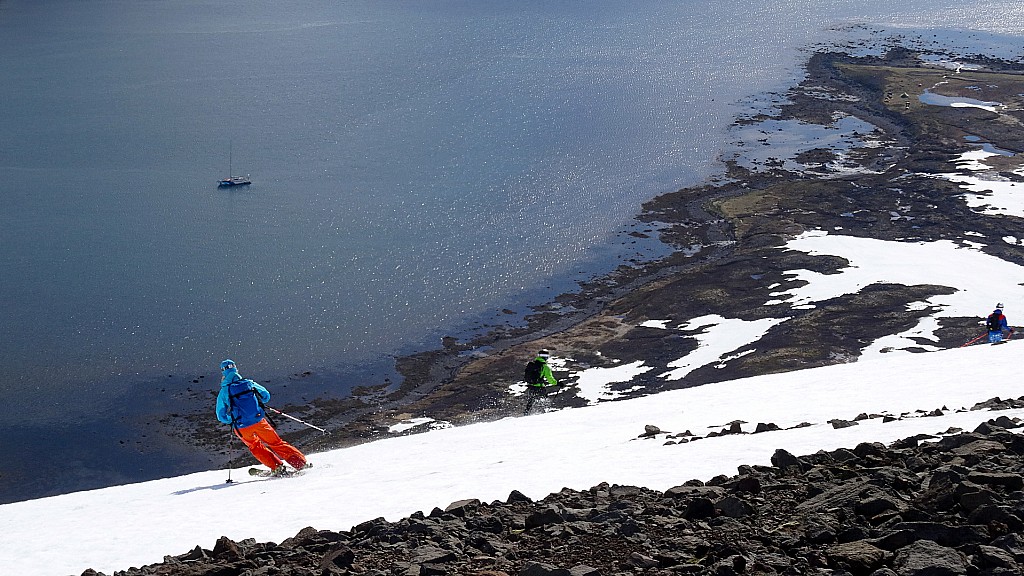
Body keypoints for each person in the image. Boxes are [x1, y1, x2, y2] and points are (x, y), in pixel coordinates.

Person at [216, 359, 307, 475]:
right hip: (259, 420)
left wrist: (232, 418)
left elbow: (221, 415)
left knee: (255, 446)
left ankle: (276, 466)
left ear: (223, 373)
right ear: (235, 369)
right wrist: (258, 404)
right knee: (276, 443)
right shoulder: (249, 383)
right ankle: (299, 463)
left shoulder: (224, 391)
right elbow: (266, 395)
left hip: (242, 427)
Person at [523, 349, 559, 415]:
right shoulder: (545, 367)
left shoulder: (532, 364)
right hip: (540, 387)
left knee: (531, 401)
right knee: (544, 401)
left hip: (531, 386)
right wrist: (557, 383)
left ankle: (526, 413)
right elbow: (550, 379)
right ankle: (543, 414)